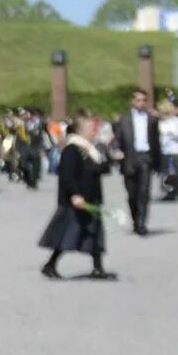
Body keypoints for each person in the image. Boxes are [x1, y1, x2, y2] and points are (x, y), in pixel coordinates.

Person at [39, 110, 116, 281]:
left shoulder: (91, 149)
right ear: (81, 131)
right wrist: (75, 194)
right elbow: (67, 175)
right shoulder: (72, 149)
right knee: (69, 233)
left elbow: (100, 168)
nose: (94, 131)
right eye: (91, 128)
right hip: (76, 199)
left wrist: (110, 158)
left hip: (92, 197)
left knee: (95, 233)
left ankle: (97, 268)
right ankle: (50, 264)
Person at [114, 88, 161, 236]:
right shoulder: (124, 119)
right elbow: (117, 138)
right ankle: (135, 219)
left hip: (145, 157)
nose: (141, 103)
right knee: (132, 193)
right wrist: (116, 150)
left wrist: (159, 162)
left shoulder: (152, 119)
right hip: (129, 158)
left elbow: (156, 141)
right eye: (138, 100)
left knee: (144, 192)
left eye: (144, 100)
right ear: (133, 101)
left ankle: (141, 223)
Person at [157, 94, 178, 203]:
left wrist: (173, 134)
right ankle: (169, 192)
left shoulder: (177, 121)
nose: (163, 115)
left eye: (165, 113)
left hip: (175, 150)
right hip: (164, 151)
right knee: (165, 174)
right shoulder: (160, 123)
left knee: (177, 173)